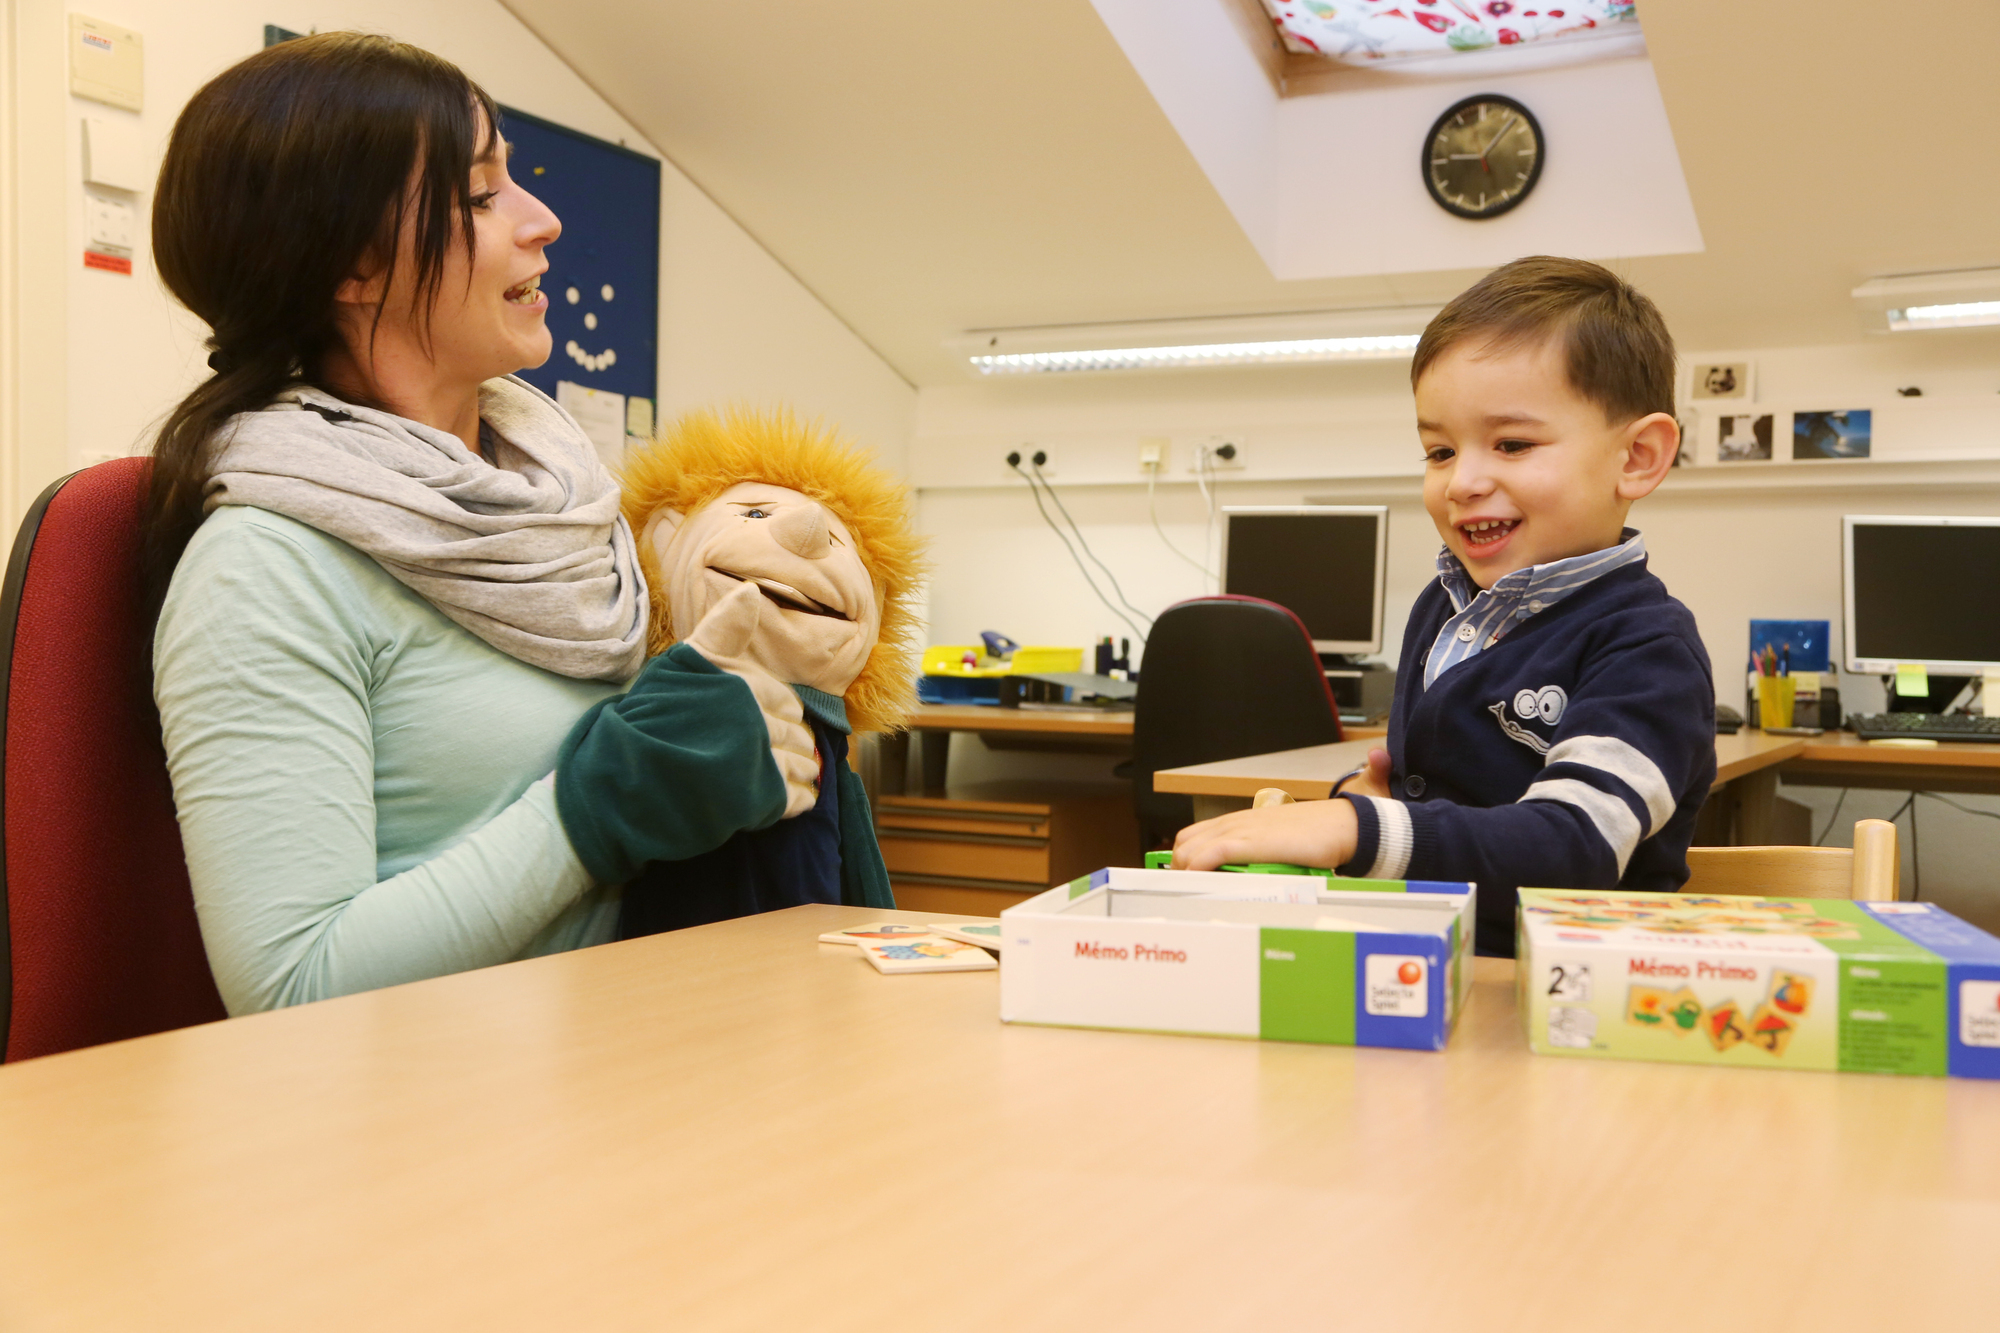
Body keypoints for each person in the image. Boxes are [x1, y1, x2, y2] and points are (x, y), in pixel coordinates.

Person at [145, 33, 655, 1013]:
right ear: (352, 266)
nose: (542, 221)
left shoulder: (557, 500)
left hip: (629, 1056)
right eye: (478, 195)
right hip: (429, 1128)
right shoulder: (267, 565)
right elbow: (291, 990)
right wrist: (593, 811)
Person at [1173, 256, 1716, 956]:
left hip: (1568, 998)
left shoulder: (1648, 646)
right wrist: (1371, 797)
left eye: (1511, 444)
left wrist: (1358, 828)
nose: (1461, 481)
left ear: (1637, 457)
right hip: (1426, 968)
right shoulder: (1444, 605)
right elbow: (1435, 807)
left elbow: (1573, 845)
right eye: (1438, 450)